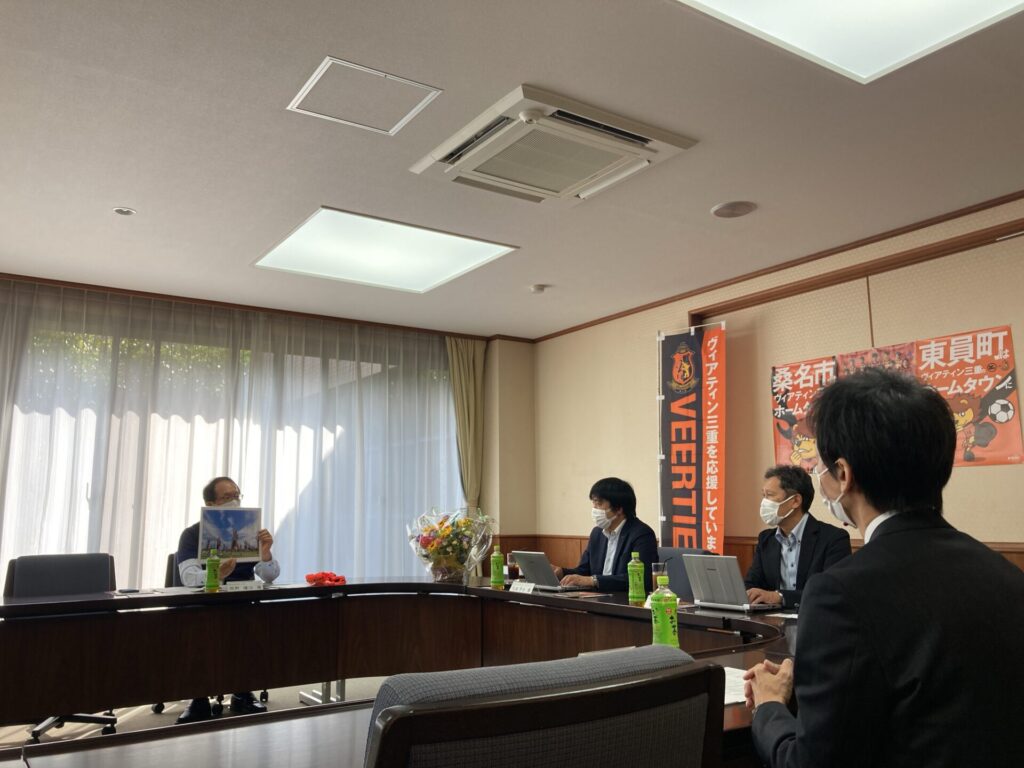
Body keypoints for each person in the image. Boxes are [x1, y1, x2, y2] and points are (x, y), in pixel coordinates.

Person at [744, 368, 1024, 767]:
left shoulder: (839, 594)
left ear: (843, 475)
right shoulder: (1006, 575)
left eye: (821, 467)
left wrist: (770, 706)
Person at [174, 476, 280, 724]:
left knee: (254, 624)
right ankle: (198, 698)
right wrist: (216, 574)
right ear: (210, 504)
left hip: (242, 601)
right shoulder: (191, 534)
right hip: (204, 603)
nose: (234, 501)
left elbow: (270, 576)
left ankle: (242, 693)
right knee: (199, 630)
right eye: (227, 497)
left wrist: (265, 555)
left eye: (236, 496)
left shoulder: (248, 533)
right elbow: (188, 577)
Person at [744, 464, 851, 608]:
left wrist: (780, 597)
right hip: (770, 619)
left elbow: (830, 592)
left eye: (770, 495)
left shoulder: (834, 539)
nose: (764, 503)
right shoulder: (766, 539)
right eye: (764, 496)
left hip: (814, 618)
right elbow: (751, 584)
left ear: (795, 501)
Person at [554, 477, 658, 592]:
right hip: (595, 598)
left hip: (625, 599)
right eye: (593, 503)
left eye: (598, 504)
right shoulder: (597, 533)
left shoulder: (642, 534)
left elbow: (639, 579)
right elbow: (584, 571)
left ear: (619, 509)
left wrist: (593, 581)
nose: (594, 509)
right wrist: (562, 572)